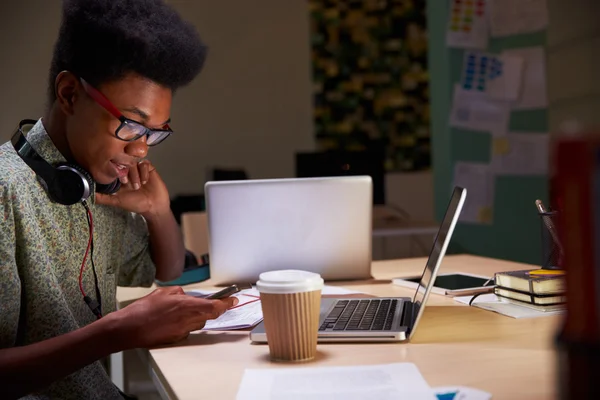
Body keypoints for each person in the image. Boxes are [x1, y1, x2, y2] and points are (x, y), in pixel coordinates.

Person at [0, 0, 238, 399]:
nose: (143, 150)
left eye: (156, 131)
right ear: (70, 94)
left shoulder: (97, 187)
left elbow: (167, 267)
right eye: (132, 124)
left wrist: (158, 211)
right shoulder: (6, 192)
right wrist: (119, 331)